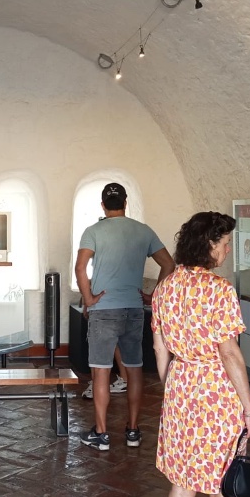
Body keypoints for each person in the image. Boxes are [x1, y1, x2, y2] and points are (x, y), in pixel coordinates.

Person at [150, 211, 250, 497]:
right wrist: (249, 408)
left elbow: (160, 348)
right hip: (216, 393)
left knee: (181, 489)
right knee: (221, 493)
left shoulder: (167, 287)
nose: (228, 249)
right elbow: (230, 353)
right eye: (224, 242)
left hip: (181, 388)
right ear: (208, 244)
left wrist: (173, 387)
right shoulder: (219, 290)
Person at [75, 182, 174, 450]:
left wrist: (89, 299)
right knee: (134, 369)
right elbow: (168, 264)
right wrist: (154, 296)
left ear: (103, 205)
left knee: (101, 372)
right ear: (125, 203)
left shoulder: (93, 231)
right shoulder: (143, 231)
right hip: (133, 309)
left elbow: (81, 268)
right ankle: (132, 431)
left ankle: (102, 433)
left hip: (104, 310)